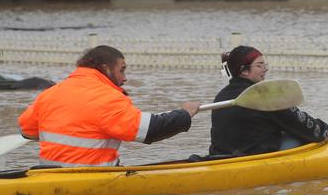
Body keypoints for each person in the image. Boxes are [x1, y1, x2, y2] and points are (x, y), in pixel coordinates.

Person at [19, 45, 199, 167]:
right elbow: (150, 131)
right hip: (93, 178)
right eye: (122, 70)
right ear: (105, 69)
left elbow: (27, 131)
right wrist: (185, 114)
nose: (125, 78)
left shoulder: (50, 93)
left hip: (48, 175)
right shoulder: (107, 98)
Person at [208, 45, 328, 156]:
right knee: (296, 135)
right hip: (253, 159)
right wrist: (324, 130)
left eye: (265, 65)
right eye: (259, 65)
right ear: (244, 71)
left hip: (222, 157)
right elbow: (301, 125)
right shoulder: (264, 94)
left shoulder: (220, 96)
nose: (265, 69)